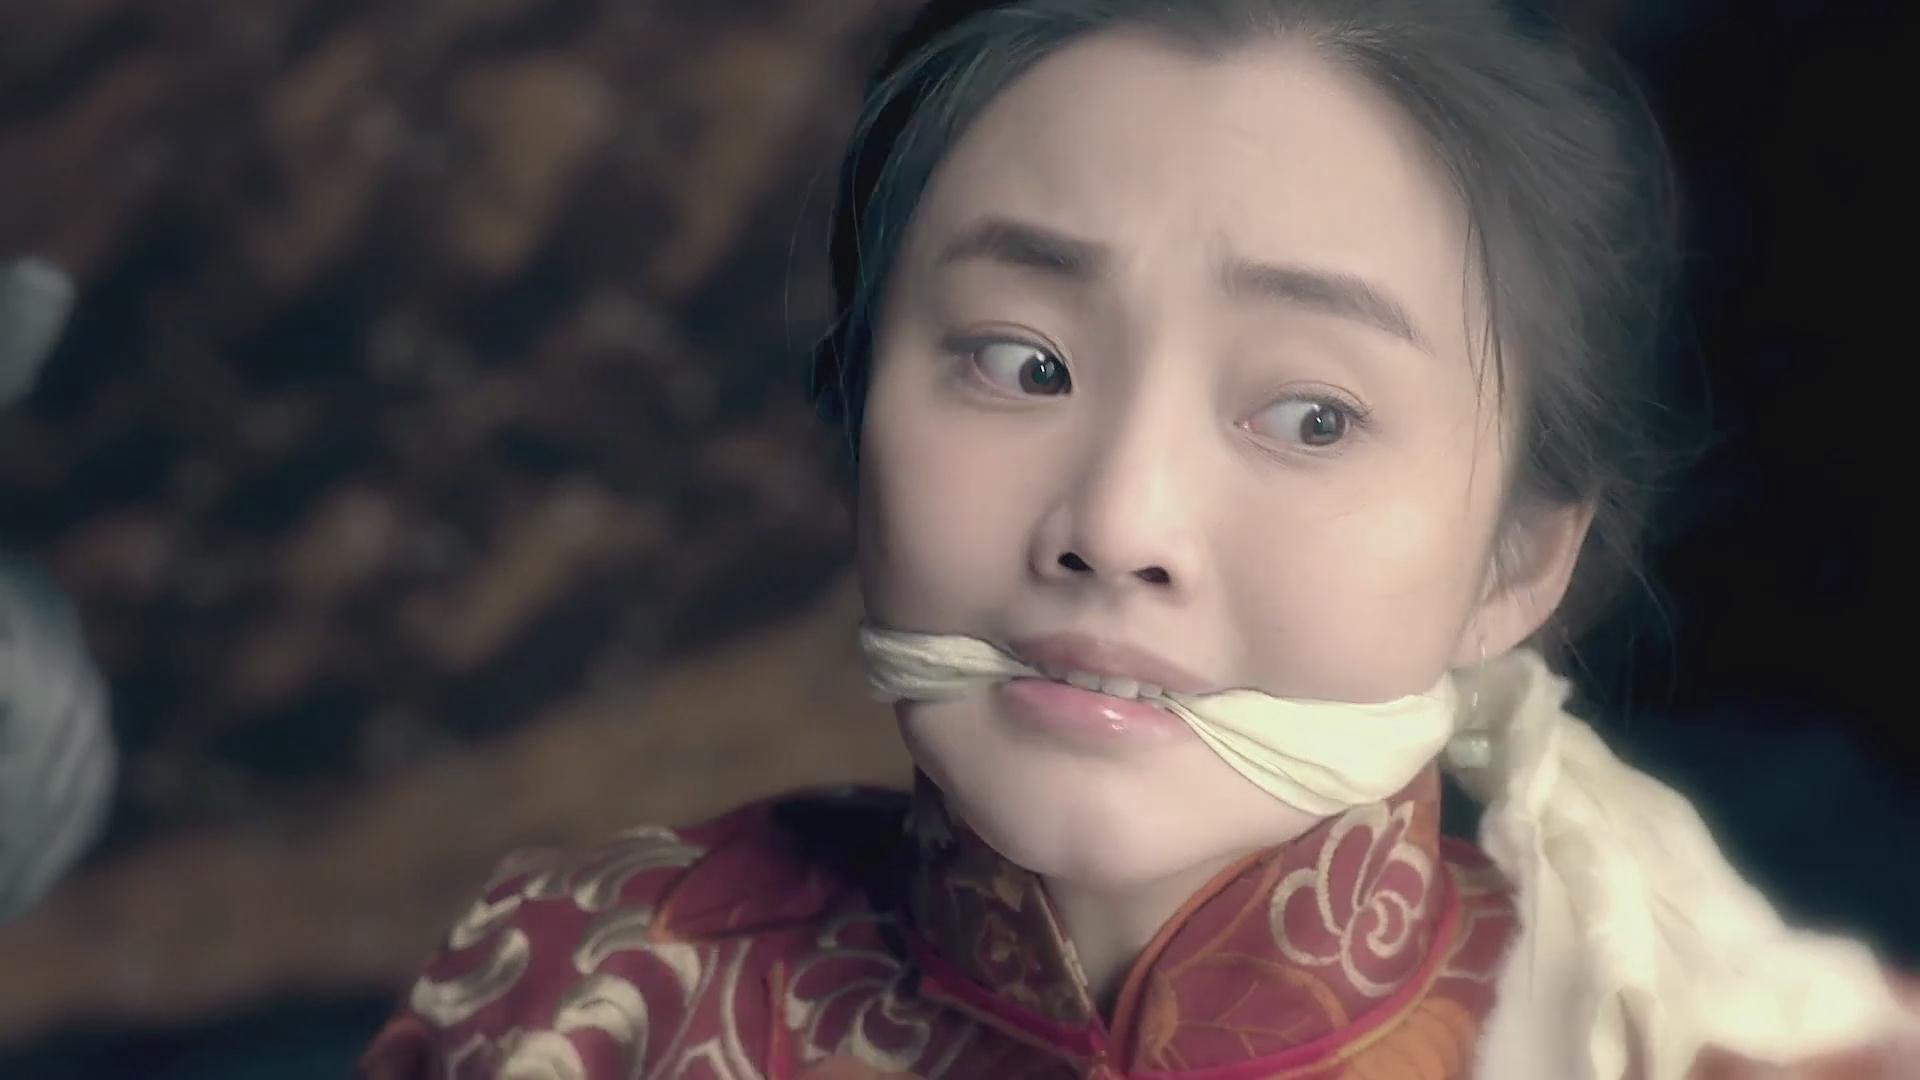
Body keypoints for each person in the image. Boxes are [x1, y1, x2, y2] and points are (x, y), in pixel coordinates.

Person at [358, 2, 1918, 1076]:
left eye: (1312, 415)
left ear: (1521, 560)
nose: (1116, 525)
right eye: (1022, 362)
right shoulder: (573, 999)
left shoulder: (1742, 1052)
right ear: (853, 412)